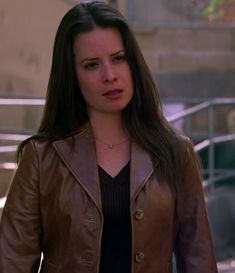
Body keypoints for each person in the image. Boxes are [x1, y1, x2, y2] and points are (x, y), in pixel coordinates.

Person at [0, 1, 218, 272]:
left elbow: (199, 259)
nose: (110, 75)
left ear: (133, 63)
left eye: (118, 58)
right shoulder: (42, 158)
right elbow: (12, 261)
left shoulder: (175, 153)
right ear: (73, 76)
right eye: (92, 65)